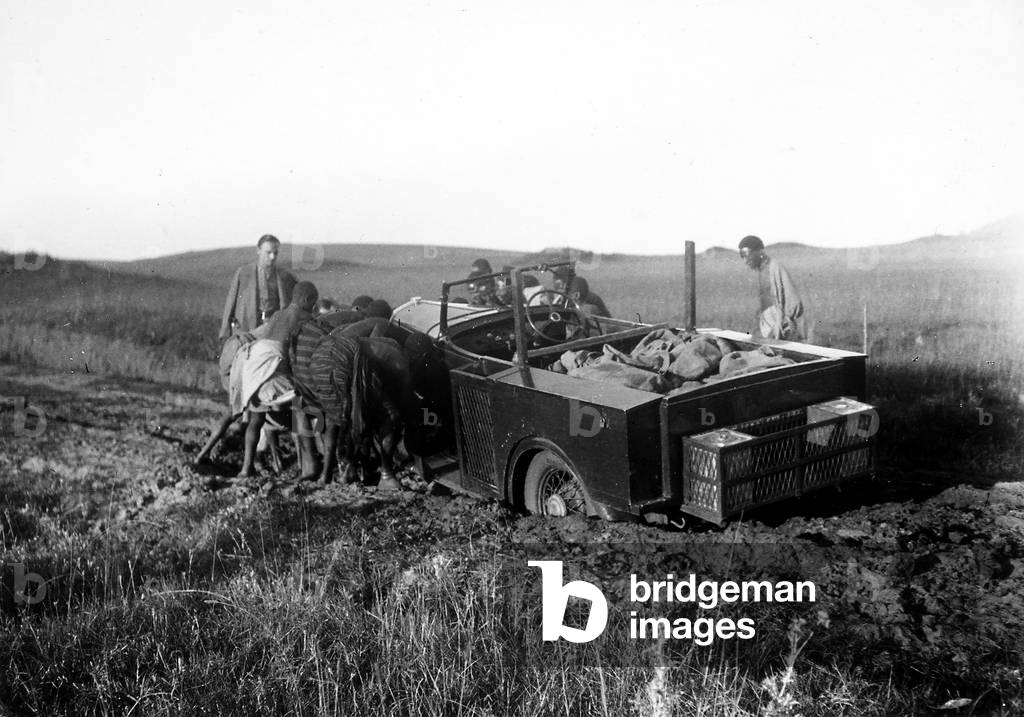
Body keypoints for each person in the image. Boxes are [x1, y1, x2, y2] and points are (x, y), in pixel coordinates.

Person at [219, 234, 297, 340]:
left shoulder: (286, 277)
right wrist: (225, 333)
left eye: (275, 253)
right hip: (246, 330)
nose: (272, 257)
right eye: (268, 253)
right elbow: (230, 303)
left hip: (272, 331)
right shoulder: (243, 273)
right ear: (258, 250)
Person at [738, 235, 807, 341]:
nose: (745, 260)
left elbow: (792, 301)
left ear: (760, 251)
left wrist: (780, 321)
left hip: (781, 326)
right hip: (769, 326)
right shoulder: (761, 270)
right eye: (742, 256)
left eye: (747, 255)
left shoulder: (775, 267)